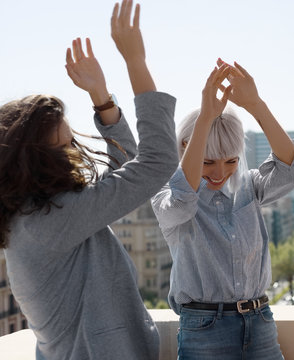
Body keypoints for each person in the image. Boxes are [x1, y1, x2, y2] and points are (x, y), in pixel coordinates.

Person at [0, 1, 178, 359]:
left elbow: (126, 167)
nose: (72, 155)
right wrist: (135, 62)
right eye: (63, 148)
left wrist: (102, 98)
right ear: (35, 160)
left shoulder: (35, 215)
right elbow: (156, 162)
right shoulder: (52, 220)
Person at [151, 59, 294, 359]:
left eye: (230, 161)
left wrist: (255, 105)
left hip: (261, 323)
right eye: (208, 161)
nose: (219, 173)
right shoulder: (166, 196)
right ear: (185, 148)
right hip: (204, 331)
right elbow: (182, 200)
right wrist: (205, 119)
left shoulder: (249, 188)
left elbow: (292, 170)